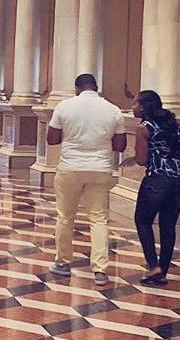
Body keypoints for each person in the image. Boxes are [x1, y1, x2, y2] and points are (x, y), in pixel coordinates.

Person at [46, 73, 127, 285]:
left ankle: (63, 263)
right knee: (98, 219)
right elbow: (120, 146)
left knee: (65, 216)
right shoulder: (113, 110)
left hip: (70, 167)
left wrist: (71, 136)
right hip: (100, 168)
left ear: (77, 87)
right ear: (96, 87)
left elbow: (51, 139)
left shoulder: (64, 107)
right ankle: (100, 270)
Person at [132, 88, 180, 285]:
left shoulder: (144, 129)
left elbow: (141, 160)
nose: (133, 107)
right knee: (168, 225)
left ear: (144, 107)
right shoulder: (172, 124)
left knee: (143, 221)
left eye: (135, 103)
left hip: (158, 179)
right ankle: (162, 271)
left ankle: (153, 266)